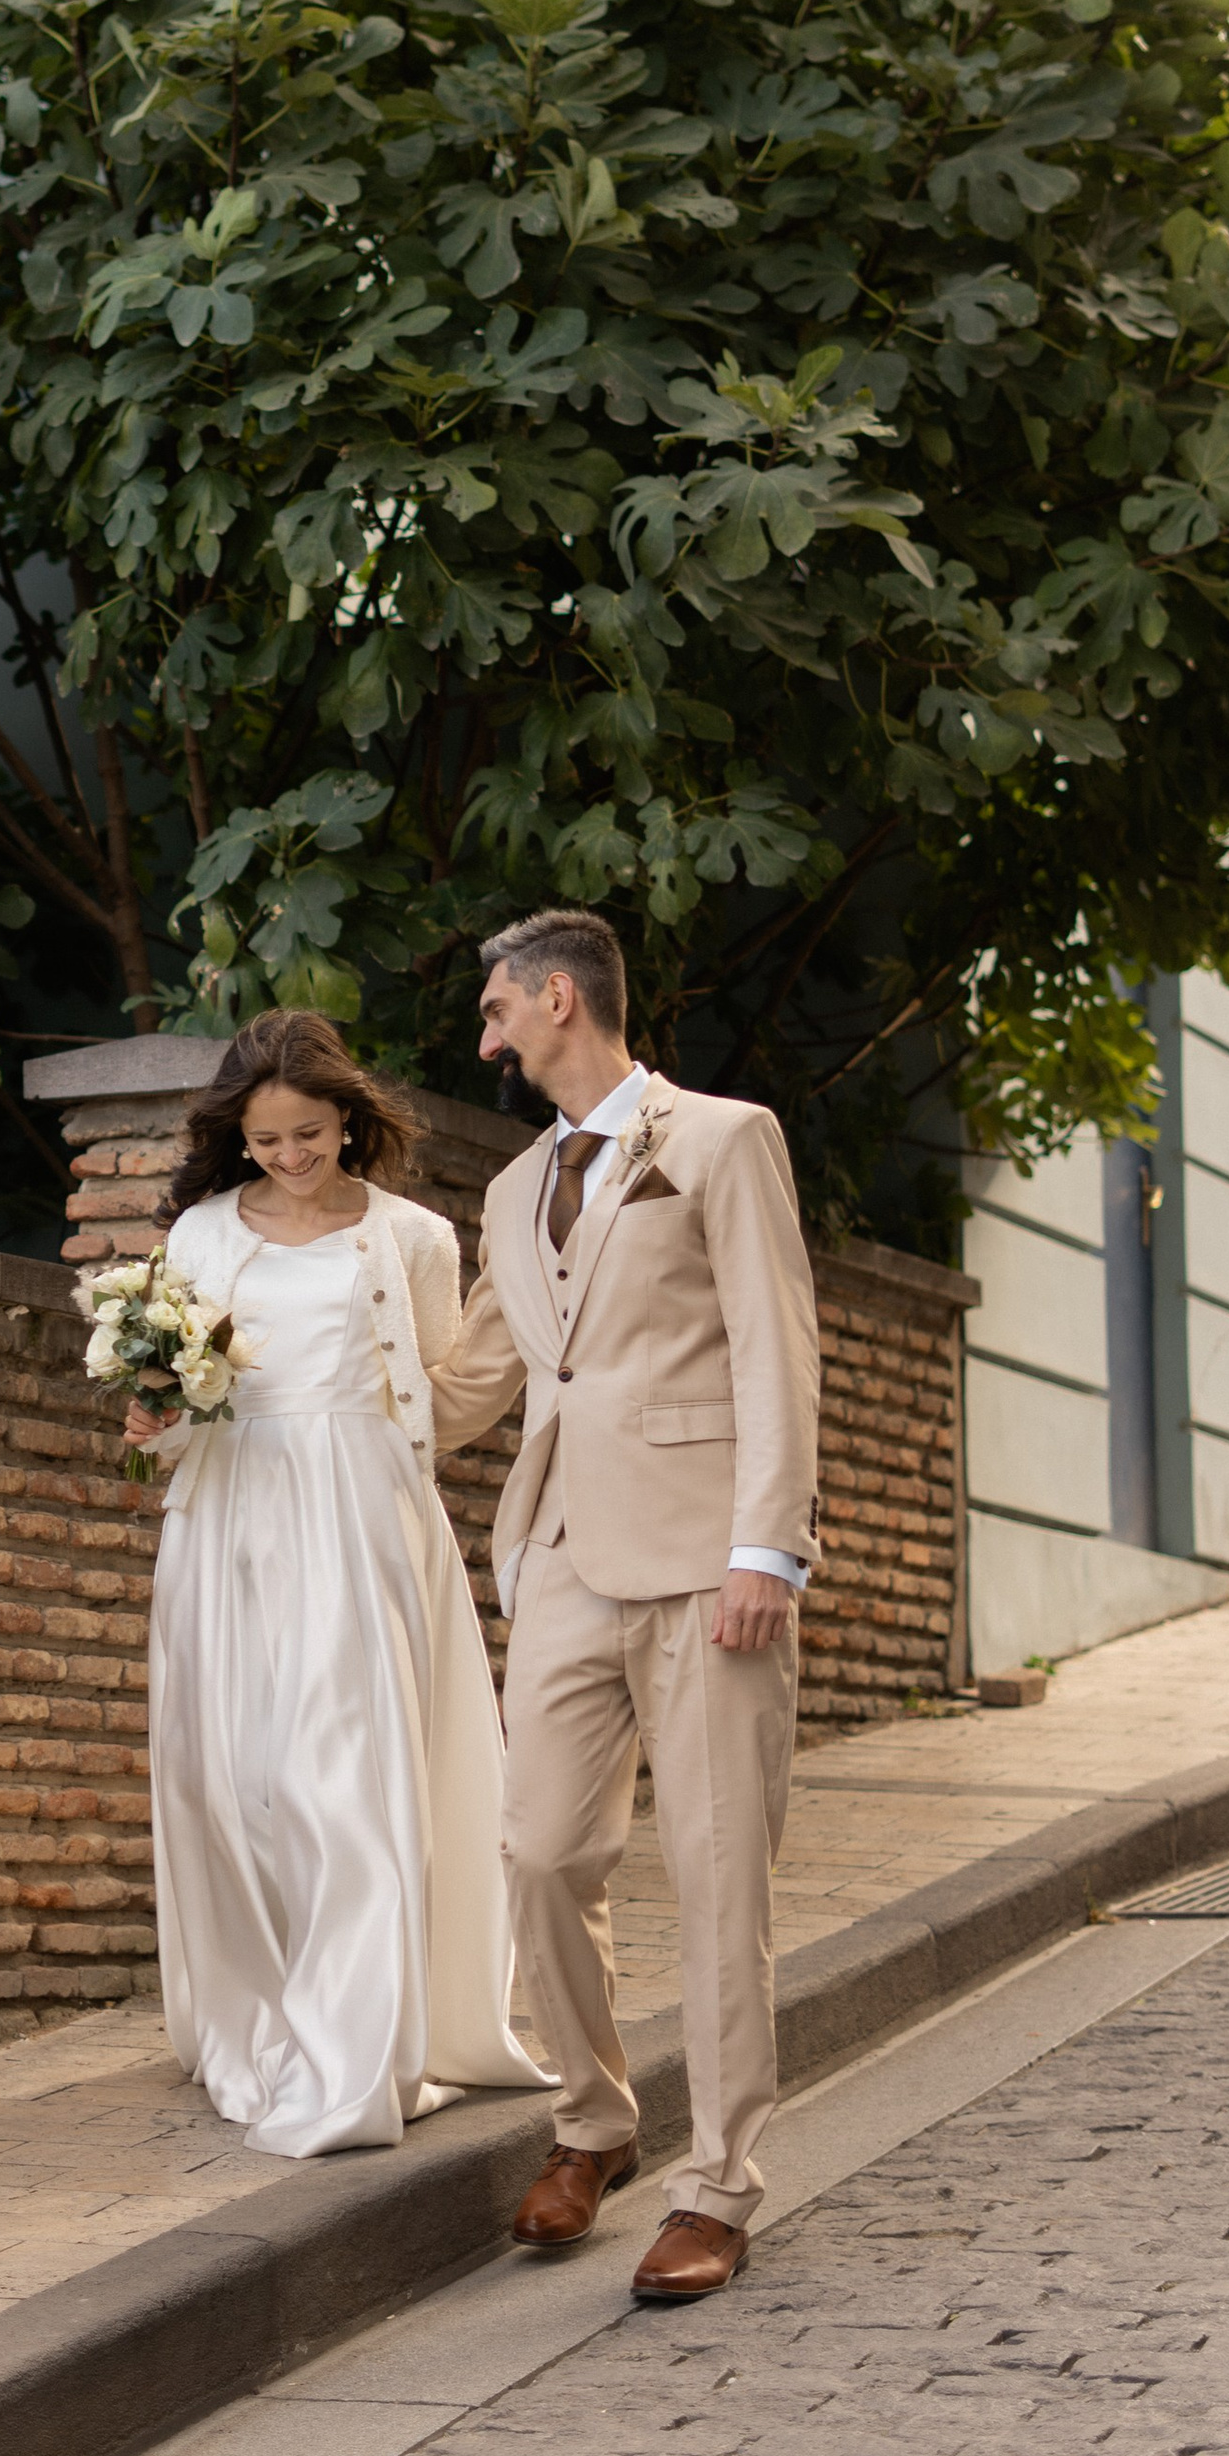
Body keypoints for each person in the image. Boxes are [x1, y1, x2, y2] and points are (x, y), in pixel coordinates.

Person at [431, 908, 820, 2303]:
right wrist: (253, 1396)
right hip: (560, 1567)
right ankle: (596, 2126)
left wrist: (767, 1550)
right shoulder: (508, 1191)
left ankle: (717, 2187)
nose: (484, 1036)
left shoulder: (721, 1138)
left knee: (720, 1877)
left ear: (555, 998)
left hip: (709, 1565)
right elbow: (472, 1385)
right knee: (537, 1854)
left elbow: (778, 1343)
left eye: (495, 1011)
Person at [122, 1009, 552, 2158]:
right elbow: (167, 1407)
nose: (290, 1159)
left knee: (345, 1779)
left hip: (364, 1515)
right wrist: (150, 1414)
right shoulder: (201, 1236)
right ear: (238, 1139)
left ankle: (357, 2047)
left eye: (308, 1134)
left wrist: (537, 1339)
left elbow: (443, 1395)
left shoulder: (410, 1237)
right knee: (237, 1782)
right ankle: (260, 2009)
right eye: (265, 1143)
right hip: (230, 1518)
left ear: (349, 1121)